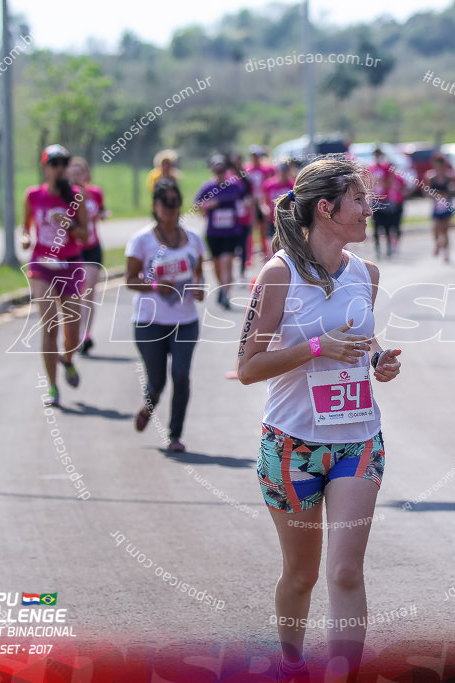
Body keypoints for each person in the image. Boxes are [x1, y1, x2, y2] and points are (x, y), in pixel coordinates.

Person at [236, 157, 402, 681]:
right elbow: (247, 368)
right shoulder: (278, 274)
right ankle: (291, 664)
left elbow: (361, 336)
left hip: (358, 440)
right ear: (327, 209)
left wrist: (377, 359)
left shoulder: (366, 274)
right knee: (302, 574)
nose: (368, 208)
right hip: (292, 444)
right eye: (359, 200)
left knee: (346, 570)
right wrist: (314, 348)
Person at [125, 178, 206, 453]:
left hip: (185, 322)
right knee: (157, 382)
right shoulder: (142, 240)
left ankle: (174, 435)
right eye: (165, 203)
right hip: (150, 322)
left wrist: (199, 289)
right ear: (154, 206)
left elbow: (200, 276)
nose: (170, 208)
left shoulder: (193, 239)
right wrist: (156, 286)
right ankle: (148, 407)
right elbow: (130, 280)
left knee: (181, 375)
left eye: (175, 202)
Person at [20, 144, 90, 407]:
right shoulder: (33, 195)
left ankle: (68, 360)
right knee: (50, 324)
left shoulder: (76, 196)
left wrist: (70, 225)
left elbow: (85, 235)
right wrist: (26, 238)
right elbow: (25, 226)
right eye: (54, 163)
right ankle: (52, 386)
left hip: (70, 264)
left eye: (64, 163)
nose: (60, 168)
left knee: (72, 331)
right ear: (45, 167)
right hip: (42, 266)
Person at [196, 154, 247, 310]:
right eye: (216, 170)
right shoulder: (208, 188)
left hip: (231, 232)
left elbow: (246, 200)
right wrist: (208, 206)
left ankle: (225, 292)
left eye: (222, 169)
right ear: (212, 170)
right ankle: (221, 287)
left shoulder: (234, 186)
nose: (219, 173)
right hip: (213, 233)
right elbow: (196, 205)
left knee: (227, 262)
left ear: (226, 170)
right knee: (216, 264)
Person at [67, 157, 106, 356]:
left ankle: (86, 334)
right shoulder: (65, 196)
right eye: (71, 174)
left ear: (86, 175)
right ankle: (72, 334)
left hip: (92, 248)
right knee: (73, 295)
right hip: (72, 250)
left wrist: (104, 214)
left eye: (79, 173)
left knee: (88, 293)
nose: (75, 177)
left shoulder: (95, 193)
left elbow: (101, 211)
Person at [245, 145, 277, 262]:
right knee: (251, 227)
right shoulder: (246, 169)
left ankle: (265, 254)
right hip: (252, 201)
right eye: (253, 156)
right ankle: (249, 256)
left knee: (264, 227)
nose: (255, 158)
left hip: (263, 200)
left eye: (257, 156)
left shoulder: (267, 169)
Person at [261, 160, 296, 260]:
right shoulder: (269, 184)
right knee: (271, 248)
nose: (283, 173)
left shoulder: (293, 185)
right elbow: (263, 201)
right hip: (273, 221)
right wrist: (264, 208)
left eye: (285, 170)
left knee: (287, 249)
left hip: (288, 221)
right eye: (281, 170)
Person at [368, 148, 399, 258]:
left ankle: (389, 248)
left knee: (387, 225)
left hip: (385, 200)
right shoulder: (371, 168)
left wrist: (383, 183)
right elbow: (368, 182)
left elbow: (391, 181)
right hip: (375, 201)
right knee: (376, 226)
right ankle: (378, 250)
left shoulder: (385, 168)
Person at [425, 154, 455, 262]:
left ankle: (446, 253)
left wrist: (451, 188)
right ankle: (438, 243)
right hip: (436, 206)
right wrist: (433, 195)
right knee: (436, 228)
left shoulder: (449, 176)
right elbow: (426, 191)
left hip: (447, 205)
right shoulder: (430, 177)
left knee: (445, 230)